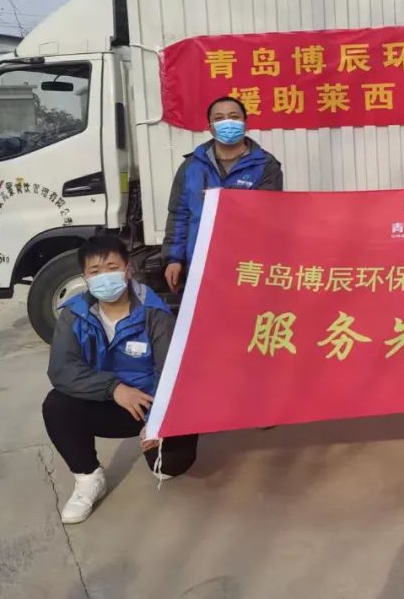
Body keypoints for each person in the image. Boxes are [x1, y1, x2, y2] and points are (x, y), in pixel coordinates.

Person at [42, 235, 199, 524]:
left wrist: (158, 421)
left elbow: (172, 372)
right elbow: (62, 370)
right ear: (85, 278)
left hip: (152, 403)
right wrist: (113, 388)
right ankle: (89, 477)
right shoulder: (74, 315)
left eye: (112, 268)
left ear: (127, 270)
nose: (104, 276)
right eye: (95, 271)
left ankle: (163, 436)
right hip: (110, 401)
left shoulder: (155, 314)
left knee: (169, 467)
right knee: (57, 405)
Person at [163, 96, 283, 293]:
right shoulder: (191, 166)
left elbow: (269, 212)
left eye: (234, 117)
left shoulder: (266, 165)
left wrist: (225, 198)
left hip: (248, 264)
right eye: (219, 118)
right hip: (201, 262)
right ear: (211, 128)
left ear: (245, 123)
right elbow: (178, 215)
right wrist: (173, 259)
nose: (227, 122)